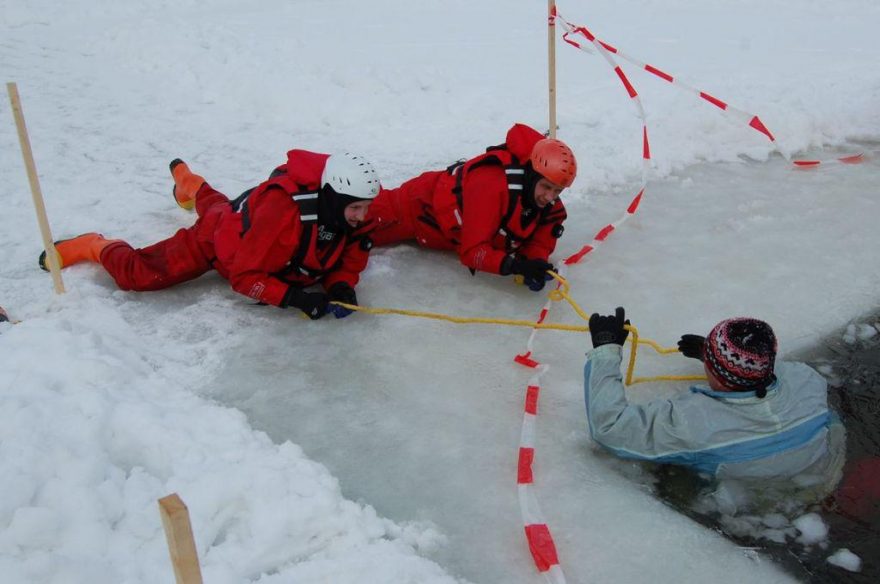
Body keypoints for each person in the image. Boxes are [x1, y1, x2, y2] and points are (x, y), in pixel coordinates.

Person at [38, 150, 382, 320]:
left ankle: (189, 184)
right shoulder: (284, 214)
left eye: (365, 207)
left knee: (217, 205)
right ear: (333, 197)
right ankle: (93, 245)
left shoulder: (350, 214)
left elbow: (347, 259)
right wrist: (296, 298)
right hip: (217, 241)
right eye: (355, 209)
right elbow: (245, 277)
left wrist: (340, 285)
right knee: (138, 274)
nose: (362, 216)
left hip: (234, 217)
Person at [583, 307, 846, 506]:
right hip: (825, 473)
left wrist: (606, 349)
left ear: (717, 370)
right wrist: (713, 359)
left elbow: (611, 428)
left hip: (768, 500)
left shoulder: (694, 424)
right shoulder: (806, 378)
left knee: (675, 483)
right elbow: (755, 373)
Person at [366, 123, 576, 291]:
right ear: (532, 175)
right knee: (354, 222)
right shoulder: (491, 187)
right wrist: (516, 267)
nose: (550, 197)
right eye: (546, 187)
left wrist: (535, 262)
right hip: (414, 207)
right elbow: (472, 252)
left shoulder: (547, 202)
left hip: (439, 231)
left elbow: (542, 238)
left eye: (557, 191)